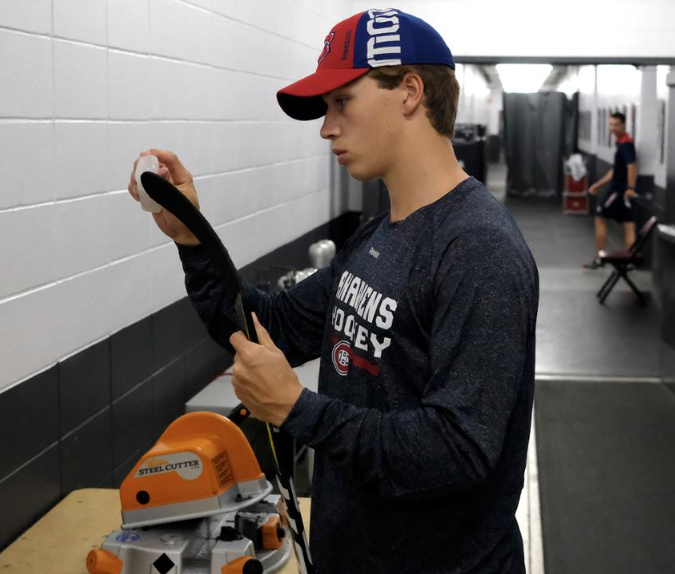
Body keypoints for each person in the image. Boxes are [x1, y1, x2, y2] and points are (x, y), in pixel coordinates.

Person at [129, 8, 539, 574]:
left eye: (341, 101)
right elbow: (266, 325)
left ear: (410, 92)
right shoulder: (375, 237)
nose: (326, 127)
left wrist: (299, 410)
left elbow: (459, 451)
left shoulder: (478, 248)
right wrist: (193, 237)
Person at [584, 112, 638, 269]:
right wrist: (598, 185)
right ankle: (629, 261)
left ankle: (601, 258)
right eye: (611, 124)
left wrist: (630, 188)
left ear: (623, 125)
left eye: (616, 124)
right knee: (629, 225)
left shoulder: (627, 144)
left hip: (619, 191)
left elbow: (632, 166)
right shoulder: (622, 143)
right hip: (620, 189)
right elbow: (616, 170)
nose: (613, 128)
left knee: (600, 218)